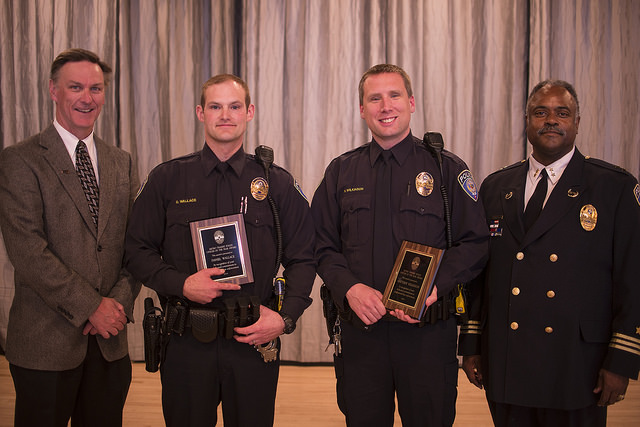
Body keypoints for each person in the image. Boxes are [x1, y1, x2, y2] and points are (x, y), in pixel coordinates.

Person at [124, 74, 316, 427]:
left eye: (234, 106)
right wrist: (181, 284)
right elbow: (136, 251)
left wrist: (284, 317)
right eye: (215, 106)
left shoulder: (276, 183)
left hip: (254, 338)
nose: (225, 115)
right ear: (200, 112)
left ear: (250, 112)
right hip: (186, 341)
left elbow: (304, 256)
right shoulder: (168, 179)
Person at [311, 63, 489, 426]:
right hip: (362, 335)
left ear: (410, 103)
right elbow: (320, 245)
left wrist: (435, 288)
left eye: (394, 96)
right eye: (374, 98)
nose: (385, 106)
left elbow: (475, 243)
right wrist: (350, 288)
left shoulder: (446, 169)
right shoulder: (341, 172)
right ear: (362, 109)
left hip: (426, 336)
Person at [459, 80, 640, 426]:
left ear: (577, 122)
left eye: (562, 113)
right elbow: (479, 276)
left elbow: (633, 280)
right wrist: (471, 343)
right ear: (526, 120)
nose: (551, 120)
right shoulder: (497, 187)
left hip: (576, 365)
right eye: (540, 112)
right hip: (509, 360)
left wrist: (621, 360)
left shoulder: (612, 188)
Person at [0, 48, 141, 426]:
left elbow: (138, 245)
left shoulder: (122, 162)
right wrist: (91, 306)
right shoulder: (20, 159)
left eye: (96, 88)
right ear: (53, 90)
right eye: (75, 87)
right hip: (45, 346)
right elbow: (27, 251)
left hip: (110, 344)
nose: (86, 97)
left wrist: (117, 304)